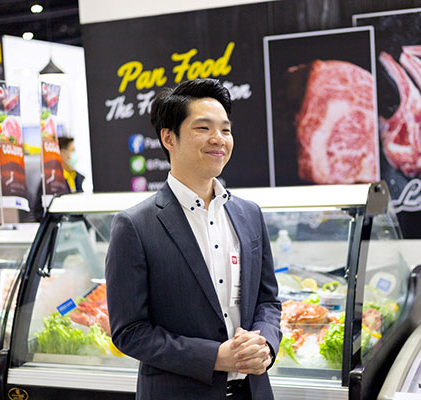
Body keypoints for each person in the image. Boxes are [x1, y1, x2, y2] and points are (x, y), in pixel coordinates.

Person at [105, 78, 281, 400]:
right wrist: (213, 357)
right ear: (168, 138)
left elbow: (268, 300)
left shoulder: (249, 214)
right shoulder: (134, 225)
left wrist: (265, 343)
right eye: (203, 128)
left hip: (253, 391)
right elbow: (129, 331)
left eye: (225, 129)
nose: (219, 139)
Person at [32, 136, 84, 221]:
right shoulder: (50, 180)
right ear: (61, 153)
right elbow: (38, 212)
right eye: (72, 150)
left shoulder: (77, 177)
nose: (74, 154)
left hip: (77, 225)